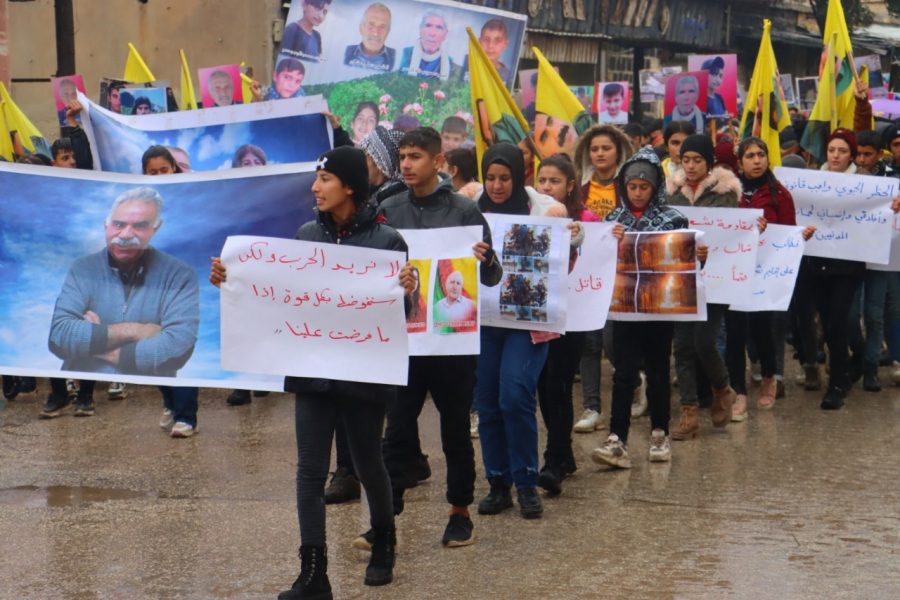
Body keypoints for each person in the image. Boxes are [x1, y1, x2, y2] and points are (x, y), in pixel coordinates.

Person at [212, 146, 414, 598]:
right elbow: (277, 292)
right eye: (316, 179)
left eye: (324, 179)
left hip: (363, 374)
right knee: (309, 471)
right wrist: (231, 280)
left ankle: (384, 540)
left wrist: (406, 292)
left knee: (367, 464)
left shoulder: (388, 241)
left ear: (349, 187)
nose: (314, 188)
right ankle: (313, 573)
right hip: (312, 372)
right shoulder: (305, 236)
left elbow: (400, 316)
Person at [356, 127, 502, 548]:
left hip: (452, 345)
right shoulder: (387, 207)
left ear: (439, 162)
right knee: (397, 430)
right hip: (405, 341)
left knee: (454, 430)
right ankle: (386, 516)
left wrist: (487, 261)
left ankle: (459, 512)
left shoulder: (465, 212)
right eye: (402, 156)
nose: (406, 164)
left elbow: (492, 277)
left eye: (415, 156)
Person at [474, 142, 577, 520]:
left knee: (515, 395)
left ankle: (526, 481)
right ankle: (498, 483)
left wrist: (574, 237)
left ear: (518, 177)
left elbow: (566, 260)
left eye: (505, 178)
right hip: (484, 322)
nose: (497, 185)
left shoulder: (545, 211)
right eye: (490, 177)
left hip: (527, 324)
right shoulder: (469, 210)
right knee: (487, 401)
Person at [591, 146, 690, 468]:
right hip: (624, 311)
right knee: (624, 374)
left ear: (655, 186)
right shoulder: (613, 220)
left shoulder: (674, 220)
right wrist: (607, 240)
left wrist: (699, 255)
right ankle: (617, 439)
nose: (637, 193)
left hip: (659, 311)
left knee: (659, 371)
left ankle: (660, 434)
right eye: (632, 186)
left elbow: (687, 266)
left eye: (643, 187)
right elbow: (599, 260)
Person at [727, 137, 814, 420]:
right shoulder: (729, 192)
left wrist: (799, 237)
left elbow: (788, 232)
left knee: (763, 330)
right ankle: (739, 391)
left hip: (765, 276)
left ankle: (769, 376)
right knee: (735, 333)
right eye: (750, 156)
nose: (757, 161)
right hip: (734, 272)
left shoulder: (780, 194)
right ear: (740, 162)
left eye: (761, 155)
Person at [666, 134, 740, 438]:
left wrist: (754, 228)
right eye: (686, 160)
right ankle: (689, 410)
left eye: (697, 160)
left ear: (709, 163)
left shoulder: (726, 192)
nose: (691, 165)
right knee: (682, 347)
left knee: (704, 342)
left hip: (716, 280)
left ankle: (722, 388)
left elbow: (735, 232)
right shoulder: (672, 194)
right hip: (682, 280)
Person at [533, 154, 597, 493]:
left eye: (554, 181)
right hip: (540, 315)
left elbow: (601, 249)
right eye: (542, 180)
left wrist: (602, 235)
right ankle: (565, 454)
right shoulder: (533, 215)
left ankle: (554, 461)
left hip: (573, 315)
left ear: (570, 185)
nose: (547, 187)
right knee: (544, 384)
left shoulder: (586, 219)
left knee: (558, 384)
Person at [571, 125, 633, 432]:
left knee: (615, 343)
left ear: (618, 151)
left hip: (622, 275)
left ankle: (636, 382)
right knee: (589, 342)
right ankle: (591, 407)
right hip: (587, 276)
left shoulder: (631, 188)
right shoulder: (579, 192)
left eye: (606, 148)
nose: (599, 154)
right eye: (594, 149)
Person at [358, 125, 406, 205]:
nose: (360, 163)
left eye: (365, 157)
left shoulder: (393, 198)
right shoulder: (371, 191)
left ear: (379, 162)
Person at [399, 12, 454, 80]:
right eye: (428, 26)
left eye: (439, 27)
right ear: (420, 30)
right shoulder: (404, 54)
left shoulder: (451, 64)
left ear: (445, 34)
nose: (432, 33)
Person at [344, 3, 395, 72]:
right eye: (371, 24)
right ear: (361, 28)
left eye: (382, 27)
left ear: (388, 32)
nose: (376, 33)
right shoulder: (345, 52)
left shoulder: (396, 58)